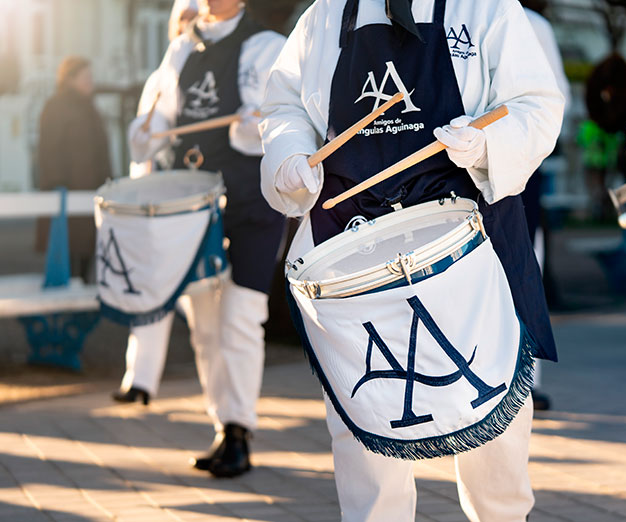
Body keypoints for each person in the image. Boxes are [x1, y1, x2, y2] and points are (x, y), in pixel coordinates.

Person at [260, 0, 564, 519]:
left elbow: (535, 104)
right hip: (354, 248)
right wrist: (290, 155)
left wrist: (486, 141)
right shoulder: (324, 15)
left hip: (470, 245)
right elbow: (284, 108)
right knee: (365, 435)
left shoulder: (486, 6)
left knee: (495, 426)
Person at [114, 0, 287, 479]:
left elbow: (289, 121)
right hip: (192, 203)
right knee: (205, 323)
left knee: (240, 317)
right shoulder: (180, 50)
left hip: (252, 204)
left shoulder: (267, 46)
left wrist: (265, 126)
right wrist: (145, 133)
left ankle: (238, 430)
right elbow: (158, 120)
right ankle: (222, 427)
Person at [519, 0, 571, 412]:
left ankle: (525, 380)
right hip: (452, 162)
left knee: (523, 265)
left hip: (517, 164)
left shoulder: (531, 24)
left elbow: (557, 97)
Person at [36, 57, 111, 282]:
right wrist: (58, 185)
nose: (90, 82)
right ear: (70, 79)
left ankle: (81, 304)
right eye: (85, 77)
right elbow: (48, 149)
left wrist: (107, 181)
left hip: (91, 190)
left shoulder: (90, 107)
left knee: (88, 250)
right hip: (67, 192)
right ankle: (66, 305)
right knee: (66, 252)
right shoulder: (56, 106)